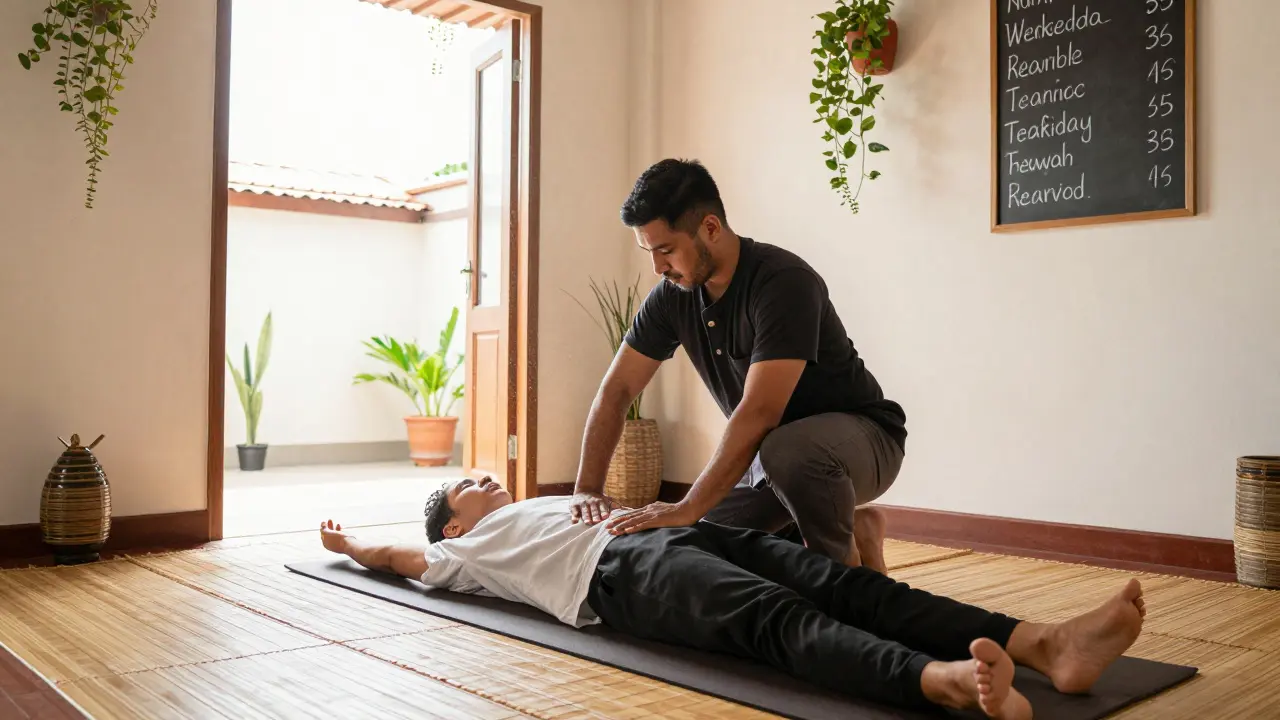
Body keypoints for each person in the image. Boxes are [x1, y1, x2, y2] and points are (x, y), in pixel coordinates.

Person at [317, 477, 1147, 720]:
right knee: (782, 623)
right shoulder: (461, 551)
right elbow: (395, 555)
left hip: (666, 532)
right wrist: (348, 544)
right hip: (621, 579)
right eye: (466, 485)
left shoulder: (535, 499)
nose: (483, 479)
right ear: (452, 522)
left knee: (840, 581)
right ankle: (940, 681)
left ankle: (1046, 644)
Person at [568, 158, 908, 571]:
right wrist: (586, 488)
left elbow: (760, 412)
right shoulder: (672, 296)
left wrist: (688, 504)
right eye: (650, 252)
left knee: (786, 452)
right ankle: (856, 526)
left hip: (865, 439)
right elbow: (617, 390)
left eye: (666, 250)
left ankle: (844, 580)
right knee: (703, 546)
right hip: (774, 461)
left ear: (710, 228)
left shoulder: (783, 281)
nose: (658, 268)